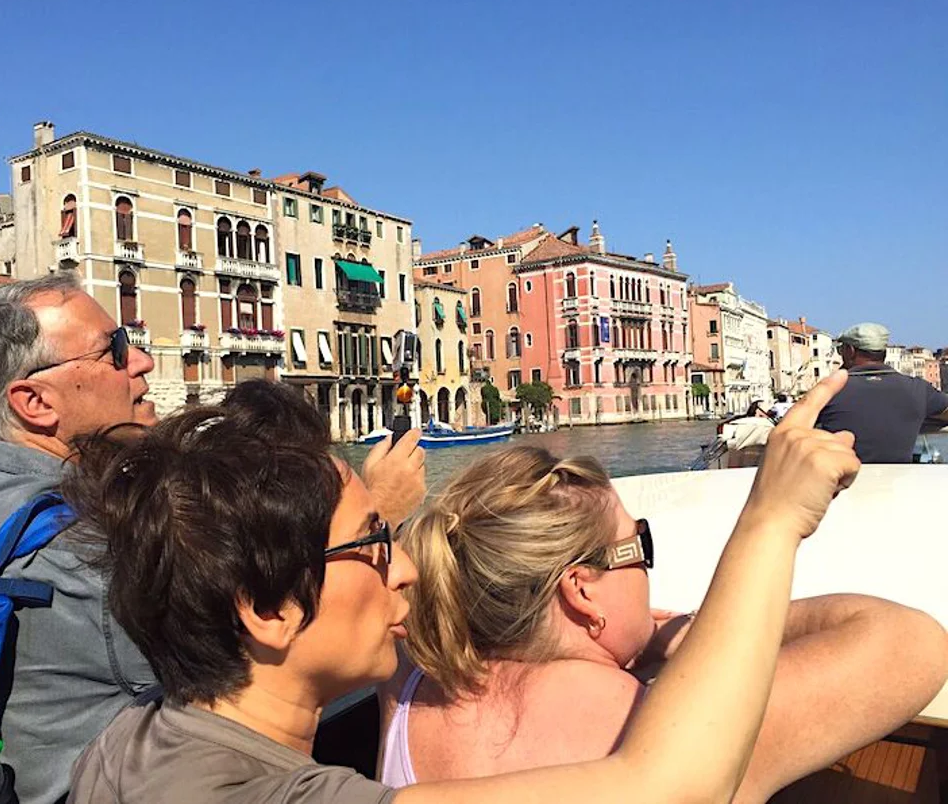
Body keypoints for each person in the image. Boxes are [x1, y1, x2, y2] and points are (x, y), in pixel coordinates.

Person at [69, 376, 872, 804]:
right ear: (272, 611)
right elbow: (668, 793)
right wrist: (770, 521)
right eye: (374, 544)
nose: (407, 568)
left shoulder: (129, 739)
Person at [383, 395, 948, 802]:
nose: (650, 566)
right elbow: (912, 642)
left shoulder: (407, 681)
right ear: (581, 592)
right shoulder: (679, 732)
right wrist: (702, 626)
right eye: (640, 544)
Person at [0, 273, 160, 804]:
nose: (142, 361)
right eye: (115, 349)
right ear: (35, 403)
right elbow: (260, 686)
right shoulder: (100, 545)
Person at [817, 323, 948, 463]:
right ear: (884, 353)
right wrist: (916, 422)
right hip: (898, 481)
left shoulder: (828, 390)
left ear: (850, 351)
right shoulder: (918, 389)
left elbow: (795, 428)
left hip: (845, 481)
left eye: (840, 350)